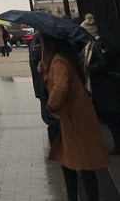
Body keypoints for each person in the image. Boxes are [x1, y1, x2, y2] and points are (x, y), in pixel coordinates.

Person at [42, 31, 109, 201]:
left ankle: (83, 197)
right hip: (74, 117)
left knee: (83, 163)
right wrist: (44, 70)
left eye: (43, 41)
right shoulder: (62, 59)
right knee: (72, 161)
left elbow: (61, 86)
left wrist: (51, 105)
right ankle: (75, 196)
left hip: (74, 119)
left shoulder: (58, 61)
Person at [80, 13, 120, 154]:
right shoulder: (96, 45)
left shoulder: (98, 45)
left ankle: (118, 144)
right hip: (104, 85)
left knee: (112, 116)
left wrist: (88, 68)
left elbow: (105, 63)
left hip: (106, 86)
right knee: (111, 116)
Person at [29, 31, 60, 143]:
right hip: (47, 90)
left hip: (46, 89)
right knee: (52, 119)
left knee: (51, 119)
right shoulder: (57, 58)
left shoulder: (37, 43)